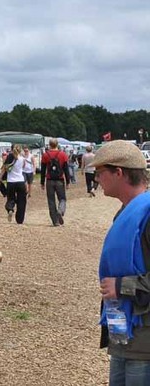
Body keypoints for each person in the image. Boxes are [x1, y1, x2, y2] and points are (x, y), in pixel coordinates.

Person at [94, 141, 150, 384]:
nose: (96, 179)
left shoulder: (146, 215)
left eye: (100, 172)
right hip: (124, 336)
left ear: (119, 172)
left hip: (145, 344)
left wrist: (122, 286)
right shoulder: (126, 214)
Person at [41, 139, 70, 226]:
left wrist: (42, 182)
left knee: (51, 200)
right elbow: (66, 169)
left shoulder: (45, 155)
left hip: (49, 180)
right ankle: (60, 211)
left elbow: (43, 170)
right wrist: (68, 181)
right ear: (57, 144)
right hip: (60, 180)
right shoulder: (63, 154)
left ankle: (55, 221)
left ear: (49, 145)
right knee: (62, 198)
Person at [0, 144, 28, 224]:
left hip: (11, 182)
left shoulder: (9, 158)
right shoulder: (23, 159)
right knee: (22, 200)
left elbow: (4, 169)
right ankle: (19, 219)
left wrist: (0, 179)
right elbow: (23, 169)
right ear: (20, 150)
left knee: (10, 198)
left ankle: (10, 209)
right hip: (20, 181)